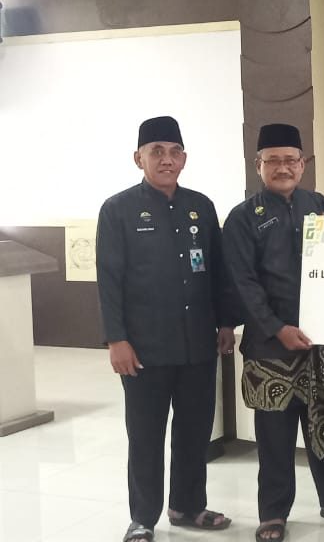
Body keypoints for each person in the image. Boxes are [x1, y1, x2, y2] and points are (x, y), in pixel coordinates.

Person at [221, 123, 324, 542]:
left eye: (291, 159)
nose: (283, 167)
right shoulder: (242, 218)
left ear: (303, 164)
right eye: (273, 160)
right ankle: (273, 513)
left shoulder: (321, 206)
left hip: (321, 345)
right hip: (270, 347)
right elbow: (243, 283)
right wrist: (276, 328)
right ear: (258, 165)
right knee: (274, 436)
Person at [96, 116, 235, 542]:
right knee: (145, 436)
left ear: (184, 159)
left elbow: (218, 272)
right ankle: (143, 517)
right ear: (138, 158)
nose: (166, 160)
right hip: (144, 349)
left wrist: (225, 322)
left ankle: (187, 506)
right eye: (156, 151)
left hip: (198, 344)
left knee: (194, 432)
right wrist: (116, 339)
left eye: (174, 152)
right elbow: (109, 280)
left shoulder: (201, 206)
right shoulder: (118, 209)